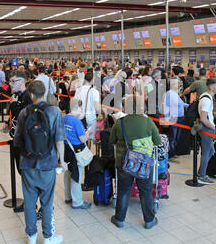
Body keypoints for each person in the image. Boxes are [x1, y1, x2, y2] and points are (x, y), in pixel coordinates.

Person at [13, 80, 66, 244]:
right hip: (48, 164)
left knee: (29, 202)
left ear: (30, 94)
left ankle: (31, 237)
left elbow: (17, 140)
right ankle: (49, 238)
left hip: (28, 164)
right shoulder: (55, 112)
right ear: (45, 93)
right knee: (47, 202)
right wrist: (62, 161)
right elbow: (59, 140)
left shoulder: (23, 113)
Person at [109, 95, 162, 229]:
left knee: (124, 191)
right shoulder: (148, 122)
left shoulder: (119, 123)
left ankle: (119, 219)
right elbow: (158, 141)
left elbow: (111, 141)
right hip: (143, 163)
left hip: (124, 162)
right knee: (146, 191)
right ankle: (149, 220)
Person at [63, 98, 93, 209]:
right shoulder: (76, 122)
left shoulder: (64, 118)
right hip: (76, 151)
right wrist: (88, 132)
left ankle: (68, 197)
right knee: (76, 175)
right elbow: (83, 139)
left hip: (66, 150)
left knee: (68, 173)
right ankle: (77, 202)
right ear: (78, 108)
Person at [197, 78, 216, 184]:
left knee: (210, 151)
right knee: (206, 153)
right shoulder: (206, 99)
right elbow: (203, 118)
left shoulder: (206, 96)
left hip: (207, 128)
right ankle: (201, 176)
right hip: (207, 129)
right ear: (211, 87)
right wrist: (212, 127)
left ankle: (200, 173)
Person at [74, 72, 101, 149]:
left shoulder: (78, 90)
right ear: (92, 80)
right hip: (90, 118)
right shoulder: (94, 91)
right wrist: (99, 114)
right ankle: (87, 155)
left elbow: (75, 104)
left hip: (79, 117)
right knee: (88, 137)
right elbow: (96, 106)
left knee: (80, 136)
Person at [164, 78, 189, 158]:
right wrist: (167, 119)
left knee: (176, 136)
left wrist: (190, 105)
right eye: (177, 83)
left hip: (179, 118)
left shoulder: (175, 93)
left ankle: (173, 151)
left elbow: (182, 104)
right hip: (174, 118)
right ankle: (170, 153)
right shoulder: (169, 94)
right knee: (173, 136)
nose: (179, 85)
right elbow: (166, 106)